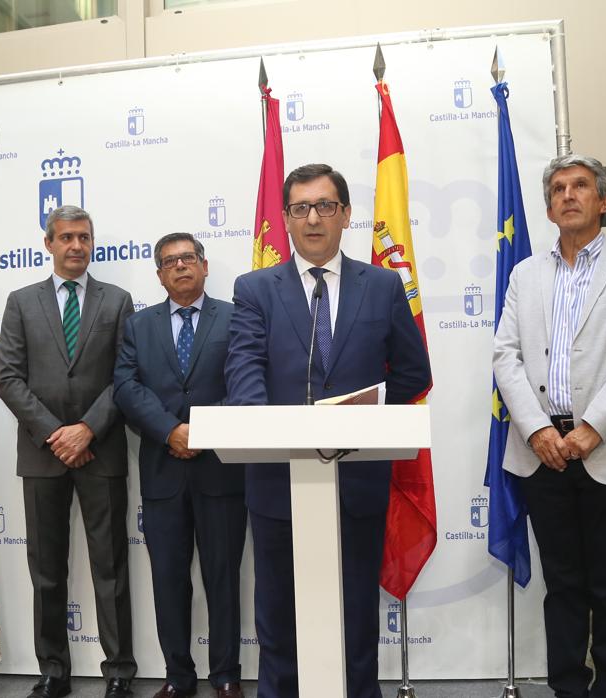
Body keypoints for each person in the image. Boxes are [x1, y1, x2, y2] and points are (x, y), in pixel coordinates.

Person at [224, 163, 431, 698]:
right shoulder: (254, 289)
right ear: (287, 220)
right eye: (300, 208)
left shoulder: (383, 285)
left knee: (356, 611)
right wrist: (269, 427)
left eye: (325, 206)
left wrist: (365, 410)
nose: (313, 218)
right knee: (278, 614)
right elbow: (244, 369)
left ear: (345, 215)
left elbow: (414, 373)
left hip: (358, 478)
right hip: (276, 480)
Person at [493, 154, 606, 698]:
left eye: (581, 186)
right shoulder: (525, 273)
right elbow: (505, 356)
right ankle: (568, 689)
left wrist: (592, 427)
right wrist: (536, 430)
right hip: (541, 454)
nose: (568, 195)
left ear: (603, 200)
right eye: (558, 189)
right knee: (563, 586)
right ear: (549, 208)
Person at [0, 205, 136, 698]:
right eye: (67, 238)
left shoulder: (117, 301)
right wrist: (58, 433)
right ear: (49, 243)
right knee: (47, 571)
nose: (77, 246)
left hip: (102, 452)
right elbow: (8, 379)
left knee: (111, 567)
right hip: (42, 455)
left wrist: (87, 431)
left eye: (85, 237)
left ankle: (119, 672)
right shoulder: (20, 302)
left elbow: (125, 377)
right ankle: (53, 669)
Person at [113, 232, 247, 698]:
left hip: (222, 472)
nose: (181, 266)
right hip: (163, 472)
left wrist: (204, 434)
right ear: (159, 275)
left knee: (223, 579)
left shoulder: (235, 318)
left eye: (189, 258)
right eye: (170, 261)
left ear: (205, 266)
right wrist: (170, 429)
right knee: (169, 581)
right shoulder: (138, 325)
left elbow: (247, 382)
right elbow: (127, 388)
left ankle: (227, 675)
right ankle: (178, 677)